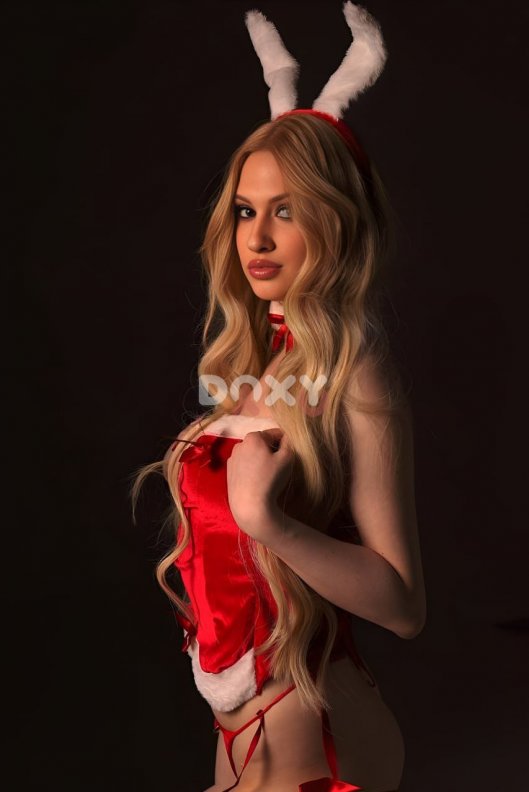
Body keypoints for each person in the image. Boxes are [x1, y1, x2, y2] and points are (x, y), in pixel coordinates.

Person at [131, 4, 426, 790]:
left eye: (286, 211)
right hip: (239, 744)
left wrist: (271, 522)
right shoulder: (255, 367)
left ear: (333, 222)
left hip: (316, 738)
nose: (256, 238)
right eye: (245, 210)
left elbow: (403, 607)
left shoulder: (355, 372)